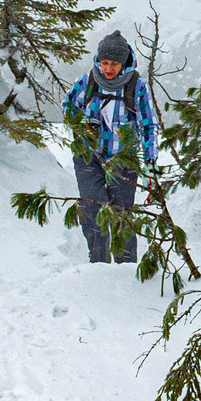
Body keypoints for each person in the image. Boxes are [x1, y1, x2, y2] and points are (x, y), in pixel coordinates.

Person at [62, 30, 158, 264]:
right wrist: (84, 123)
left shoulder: (136, 86)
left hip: (123, 158)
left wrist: (150, 162)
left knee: (120, 213)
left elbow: (148, 124)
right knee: (93, 207)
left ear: (123, 62)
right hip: (89, 154)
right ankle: (98, 263)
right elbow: (68, 107)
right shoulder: (88, 80)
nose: (108, 68)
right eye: (104, 62)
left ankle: (125, 267)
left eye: (113, 63)